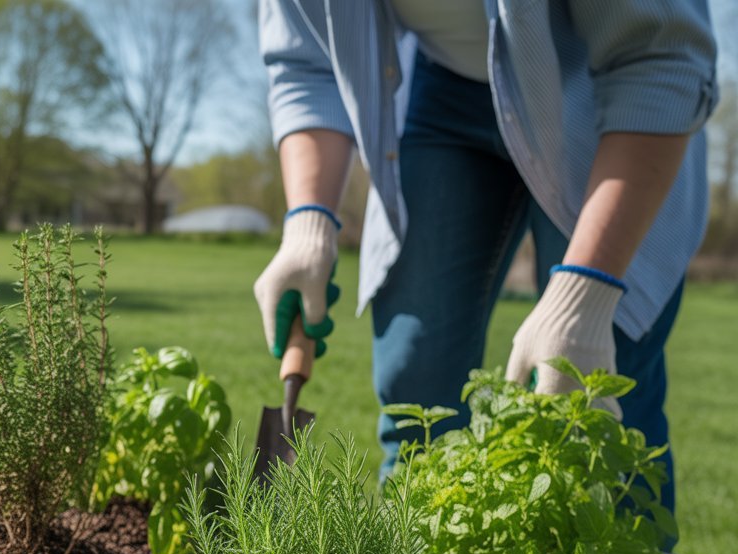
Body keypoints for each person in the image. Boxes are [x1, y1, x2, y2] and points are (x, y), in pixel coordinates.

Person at [254, 0, 718, 512]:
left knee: (599, 388)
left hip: (605, 96)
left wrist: (587, 290)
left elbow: (660, 56)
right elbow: (308, 62)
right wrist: (309, 222)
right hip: (445, 91)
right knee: (417, 380)